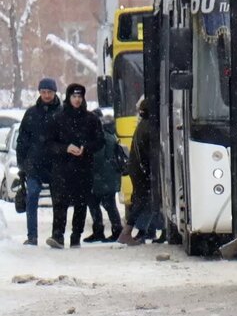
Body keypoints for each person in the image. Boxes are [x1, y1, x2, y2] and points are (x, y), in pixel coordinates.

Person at [46, 84, 104, 248]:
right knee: (60, 203)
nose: (77, 100)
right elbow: (48, 143)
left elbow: (100, 141)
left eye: (80, 97)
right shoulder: (58, 118)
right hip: (62, 169)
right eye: (74, 96)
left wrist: (86, 148)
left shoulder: (91, 119)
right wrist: (65, 148)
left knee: (80, 203)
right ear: (68, 98)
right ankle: (57, 235)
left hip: (83, 168)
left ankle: (76, 236)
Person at [15, 78, 62, 246]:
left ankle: (57, 235)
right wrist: (23, 164)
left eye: (49, 92)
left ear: (55, 92)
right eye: (43, 92)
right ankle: (32, 236)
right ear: (39, 92)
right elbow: (22, 141)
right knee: (32, 196)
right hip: (34, 164)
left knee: (59, 200)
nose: (46, 95)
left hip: (56, 164)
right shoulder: (31, 114)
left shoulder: (62, 113)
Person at [118, 99, 159, 245]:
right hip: (143, 171)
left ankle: (142, 232)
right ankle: (127, 232)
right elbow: (149, 153)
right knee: (143, 201)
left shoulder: (142, 125)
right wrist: (151, 171)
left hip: (137, 169)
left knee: (143, 201)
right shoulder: (149, 127)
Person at [84, 110, 124, 243]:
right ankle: (108, 230)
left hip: (102, 178)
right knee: (106, 204)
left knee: (102, 204)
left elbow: (98, 157)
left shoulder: (101, 136)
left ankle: (111, 231)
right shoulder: (108, 134)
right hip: (107, 177)